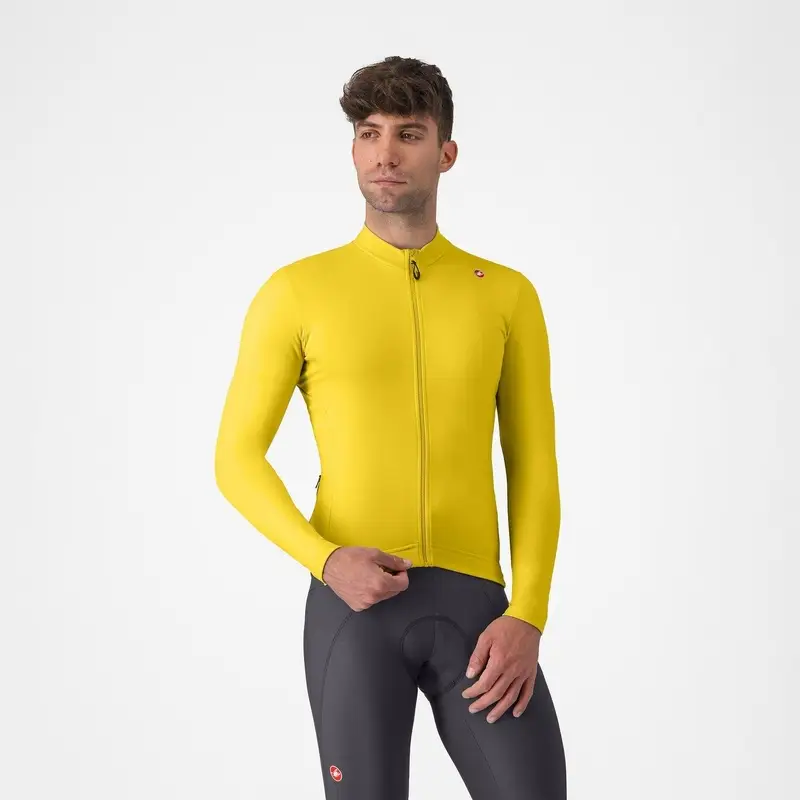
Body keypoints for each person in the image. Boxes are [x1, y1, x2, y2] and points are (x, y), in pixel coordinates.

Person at [214, 55, 567, 799]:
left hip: (480, 615)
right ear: (352, 150)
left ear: (446, 152)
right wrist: (324, 559)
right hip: (353, 610)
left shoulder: (506, 296)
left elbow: (534, 466)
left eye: (408, 133)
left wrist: (529, 614)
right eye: (369, 133)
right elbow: (236, 458)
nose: (385, 152)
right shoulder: (296, 292)